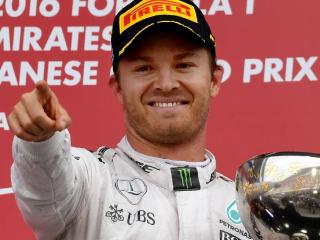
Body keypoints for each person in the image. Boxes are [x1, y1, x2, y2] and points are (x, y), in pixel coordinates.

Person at [9, 0, 251, 239]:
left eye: (184, 65)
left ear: (214, 81)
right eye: (144, 68)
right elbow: (45, 180)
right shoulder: (87, 182)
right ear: (118, 88)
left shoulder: (251, 211)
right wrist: (40, 141)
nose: (166, 84)